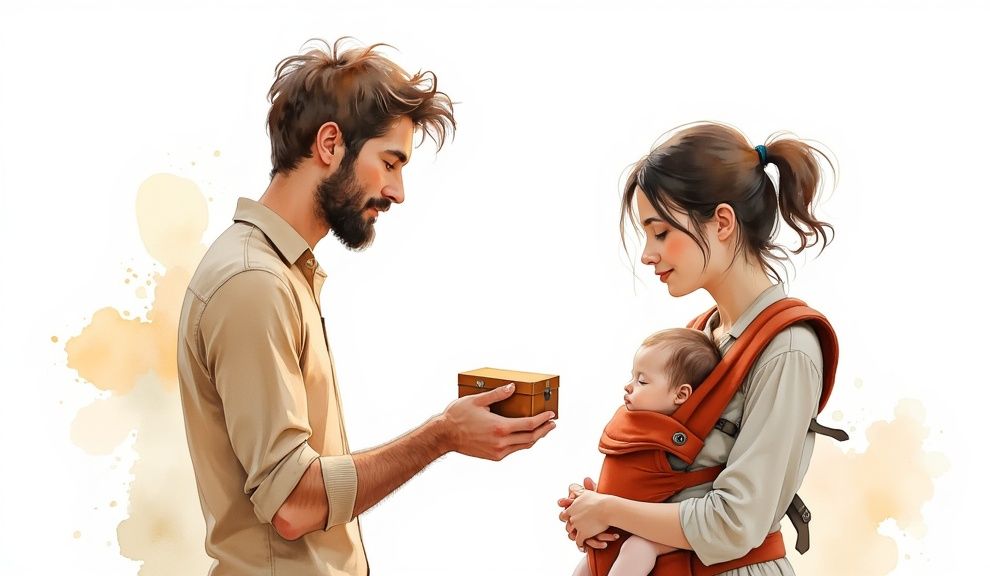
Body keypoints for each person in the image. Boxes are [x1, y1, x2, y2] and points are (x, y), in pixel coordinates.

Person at [176, 38, 556, 576]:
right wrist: (442, 436)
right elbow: (293, 504)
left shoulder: (278, 273)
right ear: (330, 144)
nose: (398, 192)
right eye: (390, 162)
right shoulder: (253, 284)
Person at [559, 121, 839, 576]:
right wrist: (603, 511)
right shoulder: (703, 335)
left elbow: (735, 521)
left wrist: (610, 509)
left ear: (722, 222)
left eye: (660, 232)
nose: (647, 254)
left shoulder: (788, 349)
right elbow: (681, 486)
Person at [571, 328, 721, 576]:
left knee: (638, 547)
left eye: (642, 381)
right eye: (632, 377)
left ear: (681, 394)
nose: (628, 386)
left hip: (662, 529)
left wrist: (605, 507)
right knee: (585, 566)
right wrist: (590, 501)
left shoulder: (677, 442)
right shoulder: (639, 427)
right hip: (618, 524)